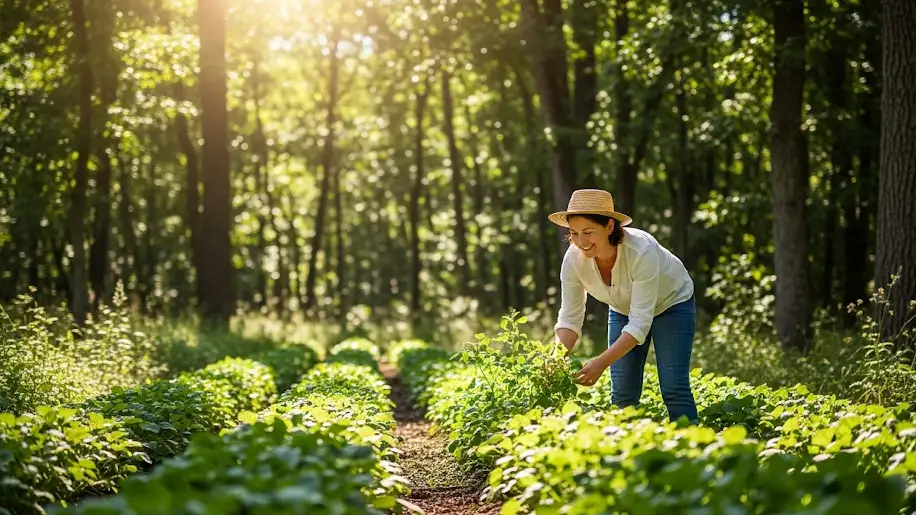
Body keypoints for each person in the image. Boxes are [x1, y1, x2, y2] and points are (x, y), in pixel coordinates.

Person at [549, 188, 698, 424]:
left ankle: (695, 449)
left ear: (609, 226)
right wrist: (552, 360)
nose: (581, 242)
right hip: (623, 309)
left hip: (672, 305)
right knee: (622, 395)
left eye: (588, 232)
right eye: (574, 233)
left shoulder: (641, 251)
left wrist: (600, 363)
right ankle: (626, 453)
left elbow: (639, 323)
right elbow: (569, 319)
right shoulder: (573, 260)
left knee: (673, 388)